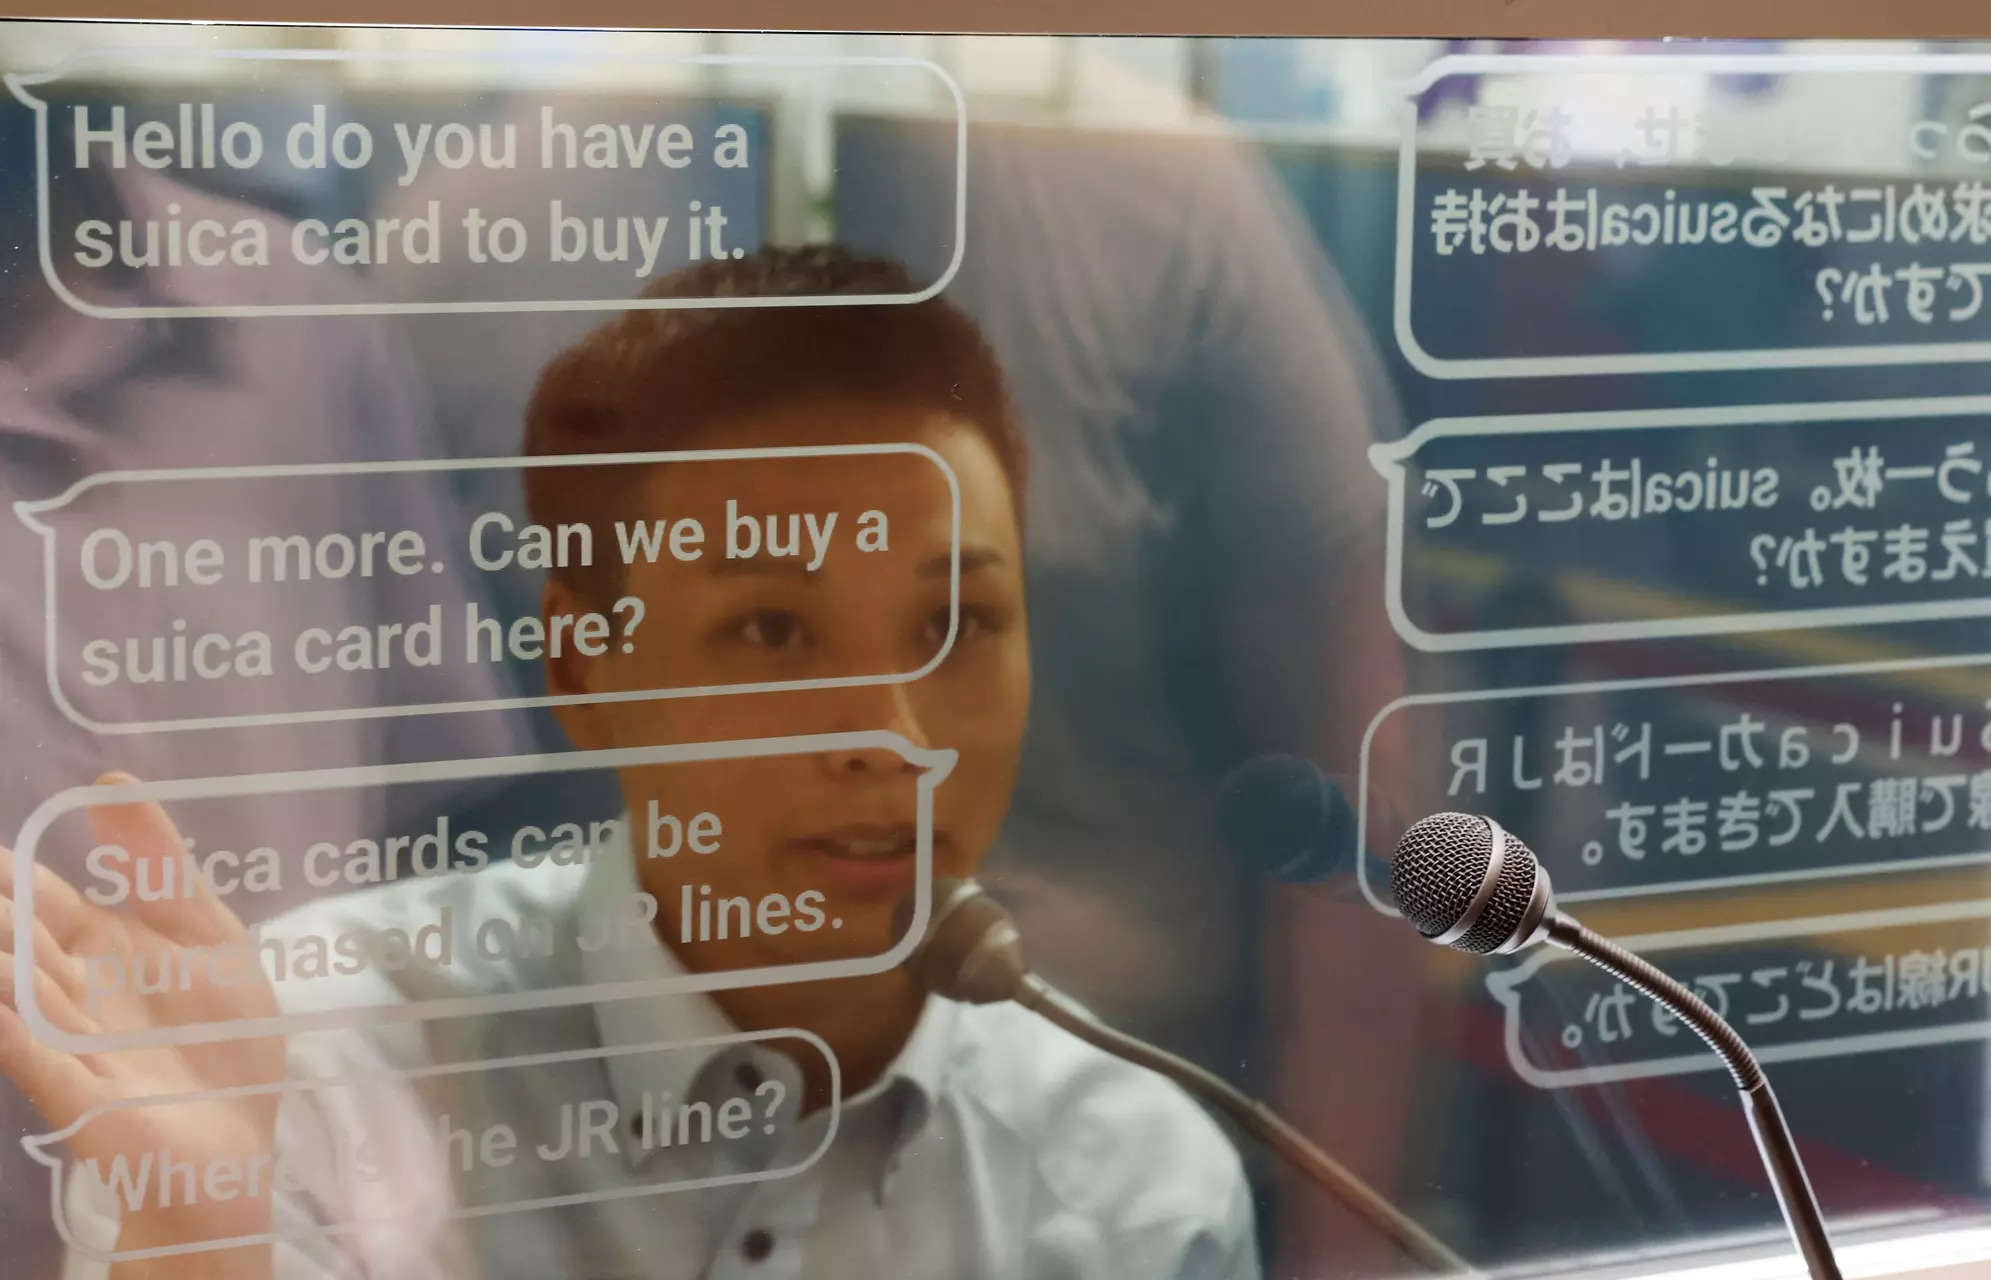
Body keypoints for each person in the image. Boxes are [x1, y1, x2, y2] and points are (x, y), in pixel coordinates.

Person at [0, 246, 1258, 1280]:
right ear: (587, 675)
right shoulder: (304, 1069)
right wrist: (199, 1232)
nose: (898, 744)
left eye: (952, 627)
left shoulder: (1132, 1180)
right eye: (774, 630)